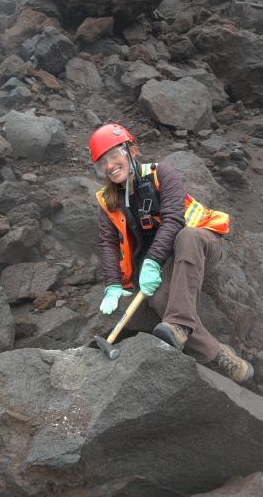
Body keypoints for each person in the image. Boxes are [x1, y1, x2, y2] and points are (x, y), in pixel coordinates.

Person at [89, 122, 253, 385]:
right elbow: (107, 242)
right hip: (168, 260)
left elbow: (175, 219)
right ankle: (219, 354)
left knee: (187, 236)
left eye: (113, 156)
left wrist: (151, 262)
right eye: (102, 163)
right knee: (158, 300)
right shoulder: (108, 200)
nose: (109, 166)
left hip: (201, 245)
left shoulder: (161, 173)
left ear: (132, 150)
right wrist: (112, 285)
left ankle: (178, 324)